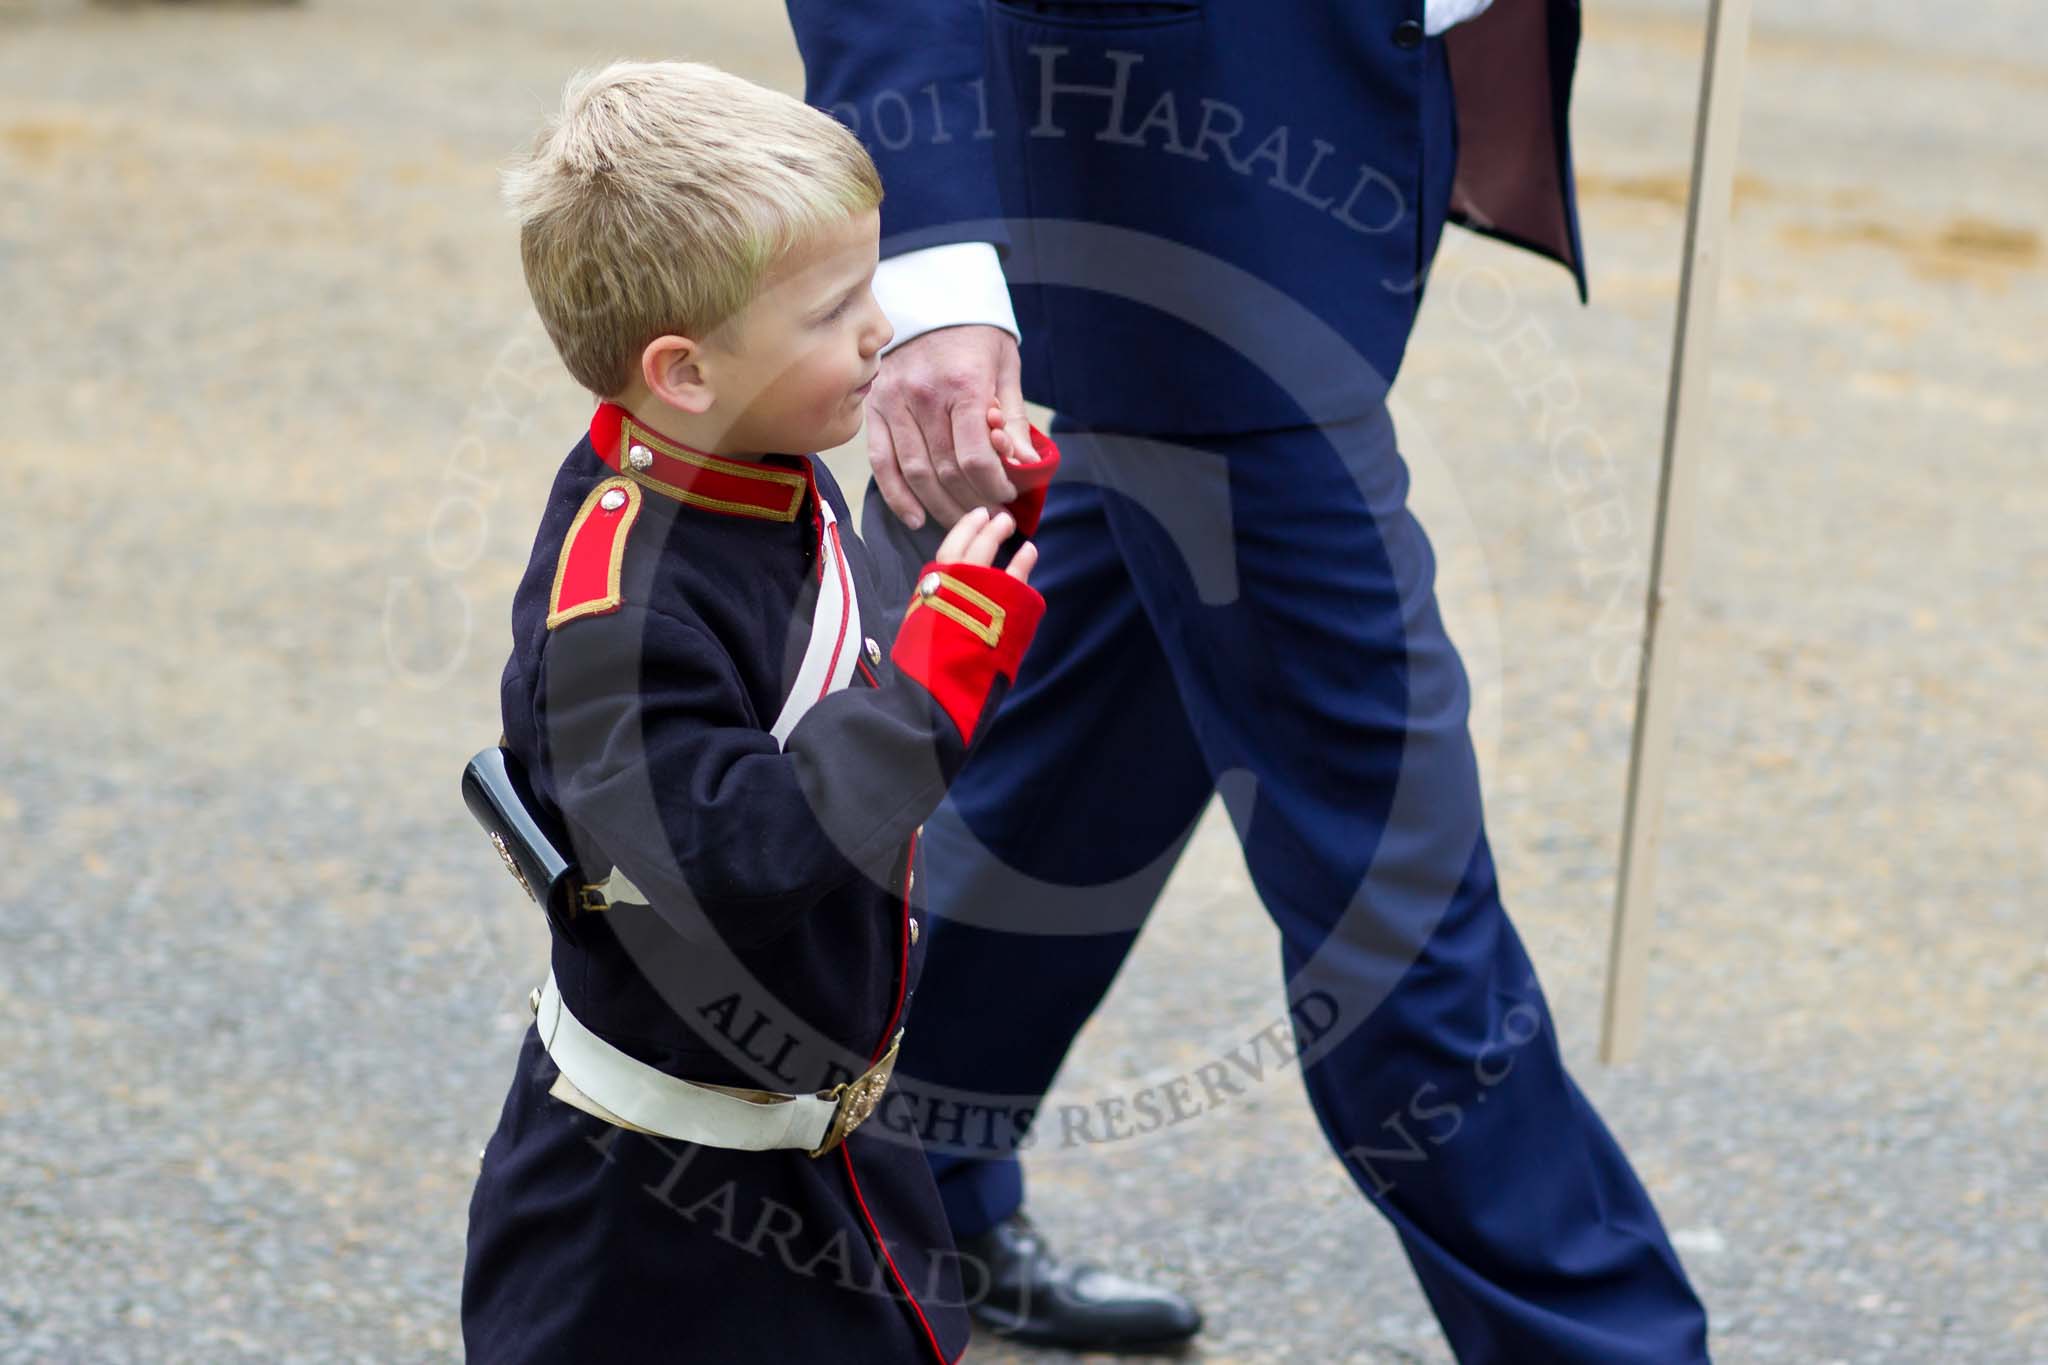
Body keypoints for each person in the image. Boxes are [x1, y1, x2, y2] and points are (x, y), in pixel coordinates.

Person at [783, 0, 1716, 1358]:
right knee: (1395, 873)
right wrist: (925, 256)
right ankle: (1607, 1341)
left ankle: (899, 1186)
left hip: (1314, 140)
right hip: (1195, 208)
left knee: (1099, 729)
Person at [460, 59, 1057, 1363]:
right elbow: (733, 860)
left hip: (829, 1155)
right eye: (835, 306)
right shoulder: (616, 611)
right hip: (652, 1223)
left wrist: (947, 532)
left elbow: (824, 665)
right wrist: (938, 682)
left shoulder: (752, 461)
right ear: (683, 369)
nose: (881, 326)